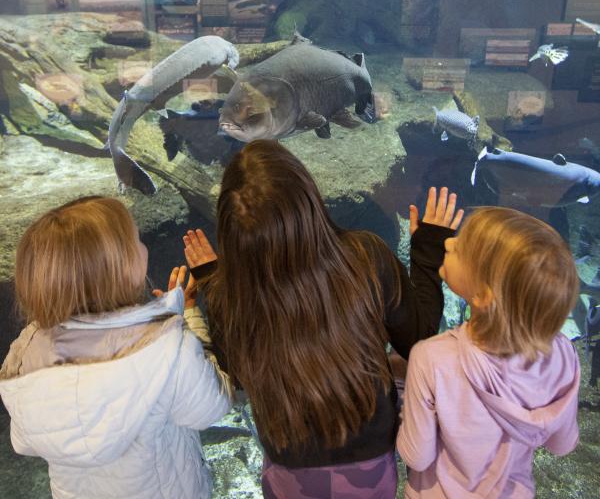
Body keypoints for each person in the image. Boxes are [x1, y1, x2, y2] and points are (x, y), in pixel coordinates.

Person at [182, 139, 463, 499]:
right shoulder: (367, 257)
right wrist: (427, 254)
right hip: (370, 459)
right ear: (309, 200)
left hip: (287, 465)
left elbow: (233, 375)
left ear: (230, 230)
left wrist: (211, 281)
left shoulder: (230, 293)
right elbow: (419, 340)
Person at [0, 196, 231, 499]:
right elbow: (213, 406)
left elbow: (24, 440)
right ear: (123, 270)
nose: (144, 245)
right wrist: (186, 319)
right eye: (136, 240)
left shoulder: (24, 358)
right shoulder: (170, 351)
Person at [396, 207, 580, 498]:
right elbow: (562, 443)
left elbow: (416, 456)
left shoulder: (431, 357)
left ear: (482, 296)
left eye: (462, 246)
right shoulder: (563, 355)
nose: (448, 242)